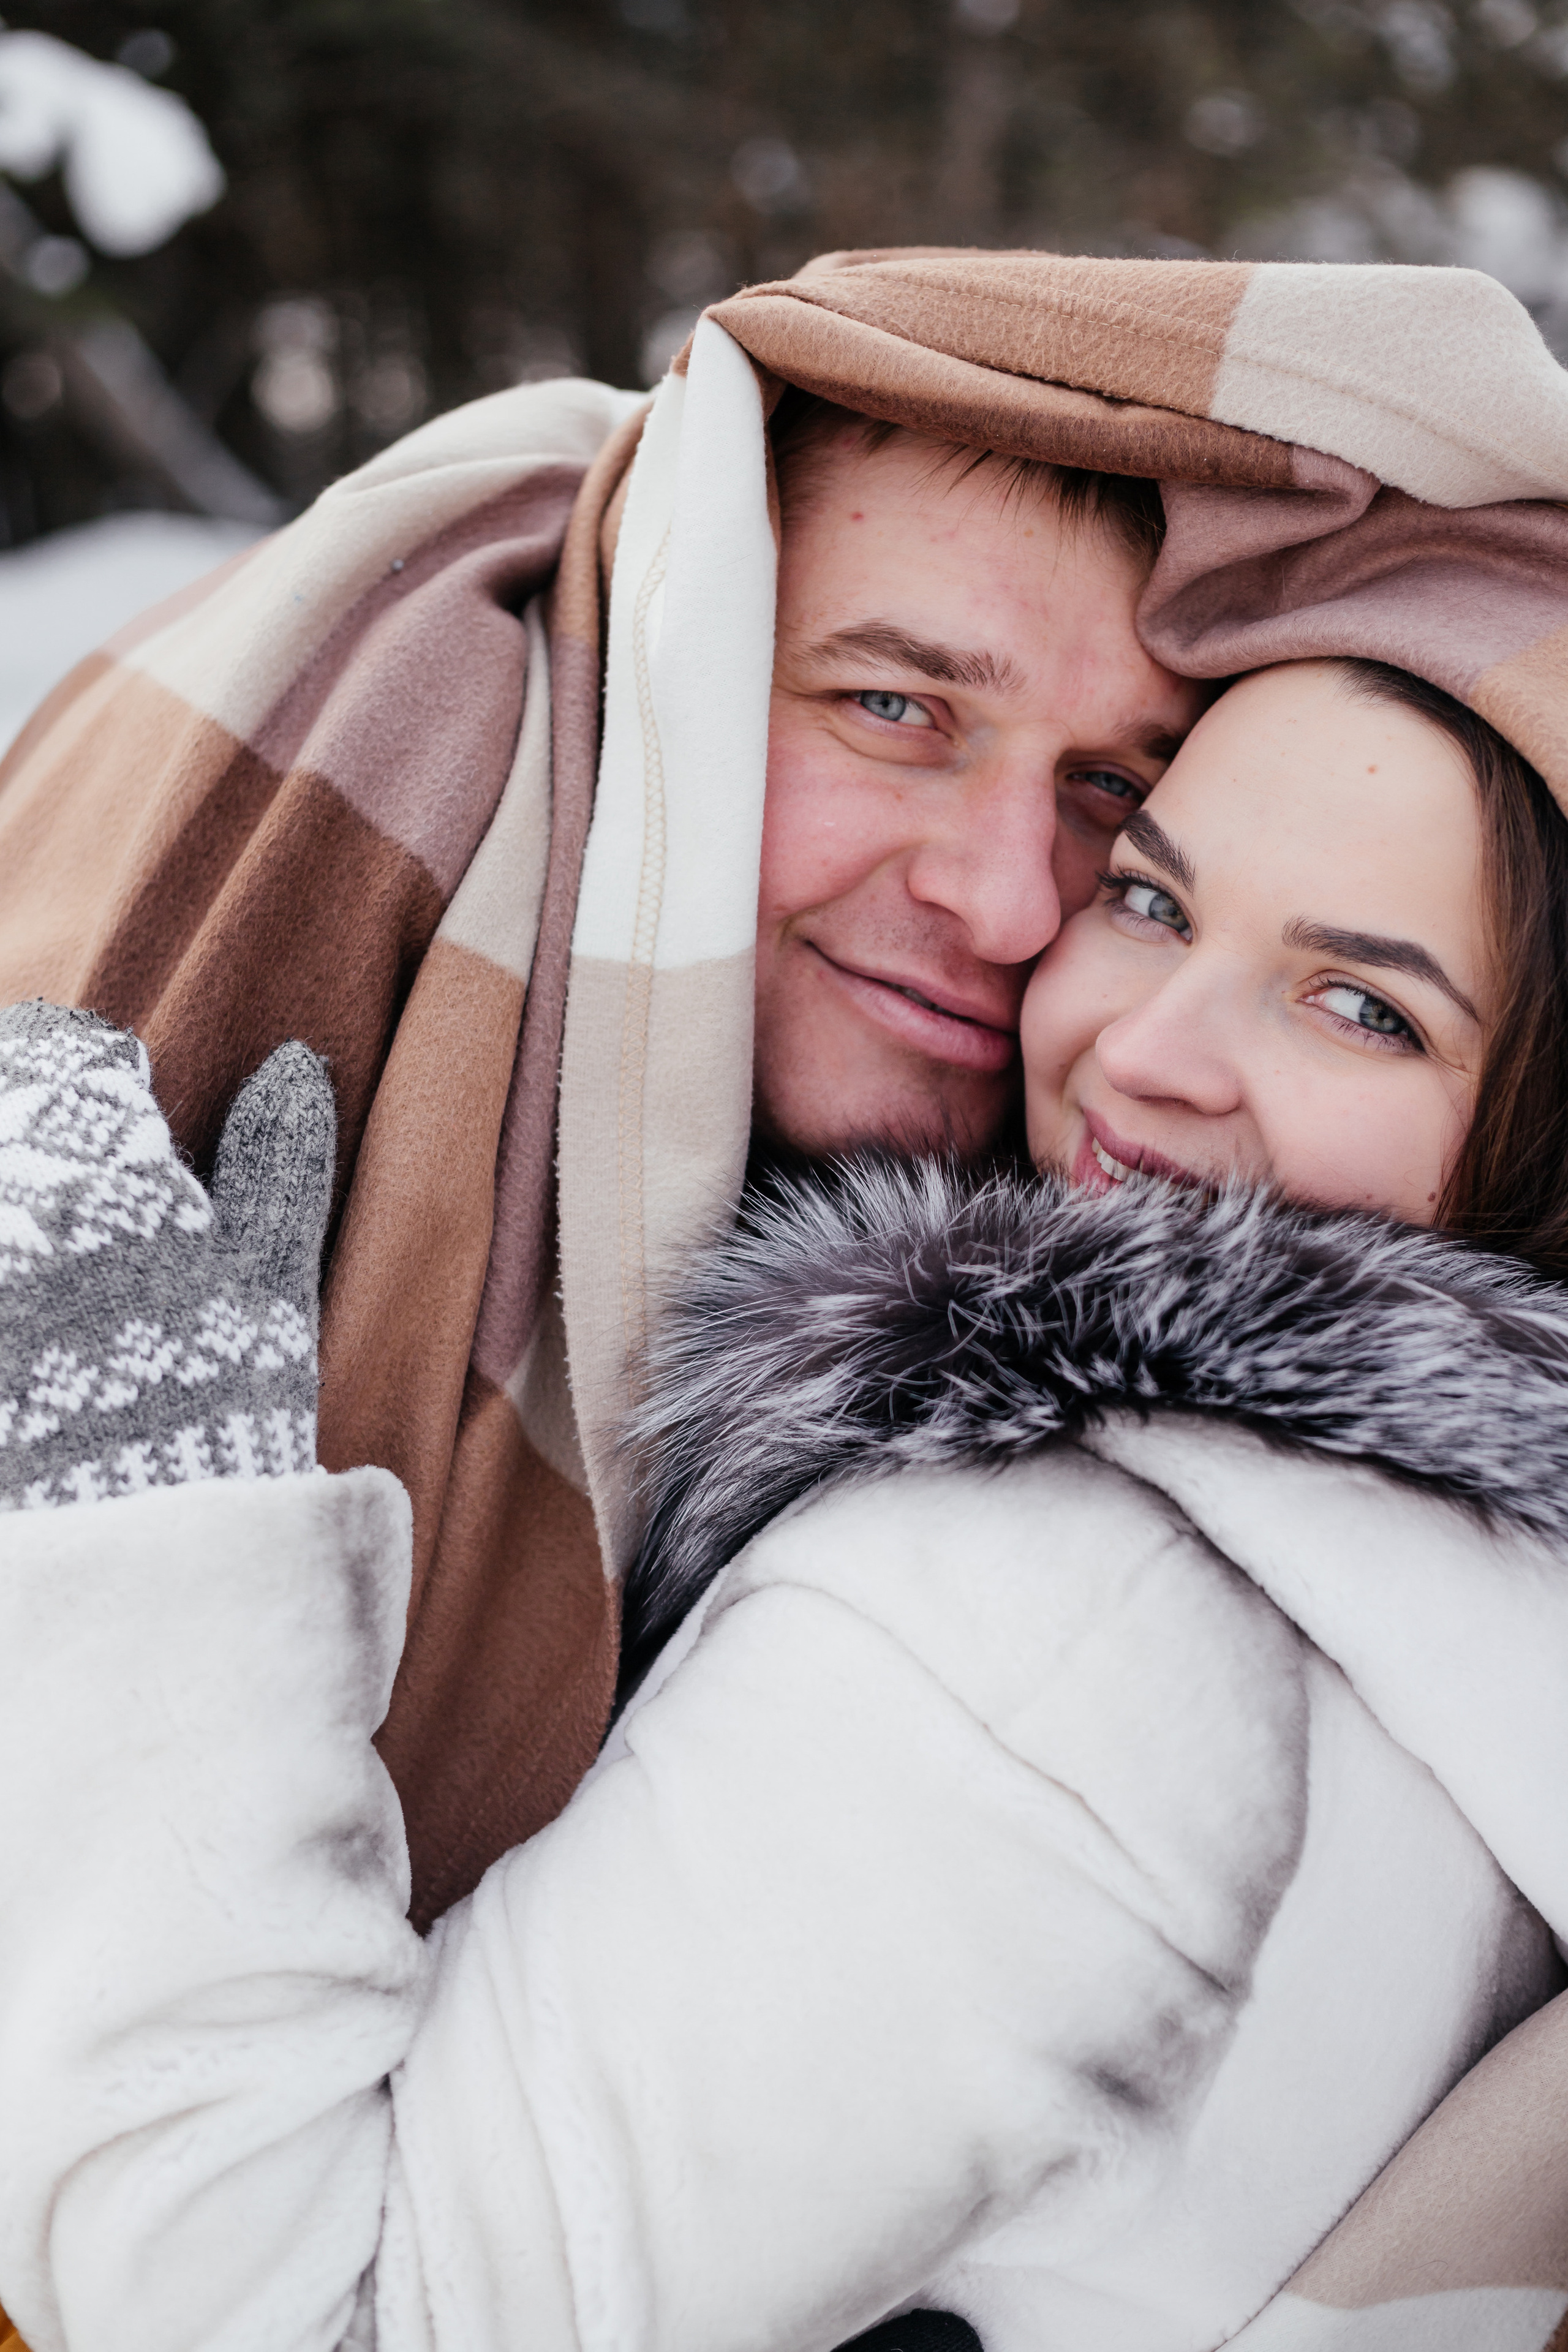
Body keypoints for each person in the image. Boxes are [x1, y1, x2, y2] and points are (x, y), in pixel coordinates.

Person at [6, 250, 1568, 2344]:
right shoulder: (1417, 1571)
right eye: (1155, 891)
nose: (1048, 944)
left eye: (1364, 1005)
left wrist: (147, 1537)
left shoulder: (1058, 1623)